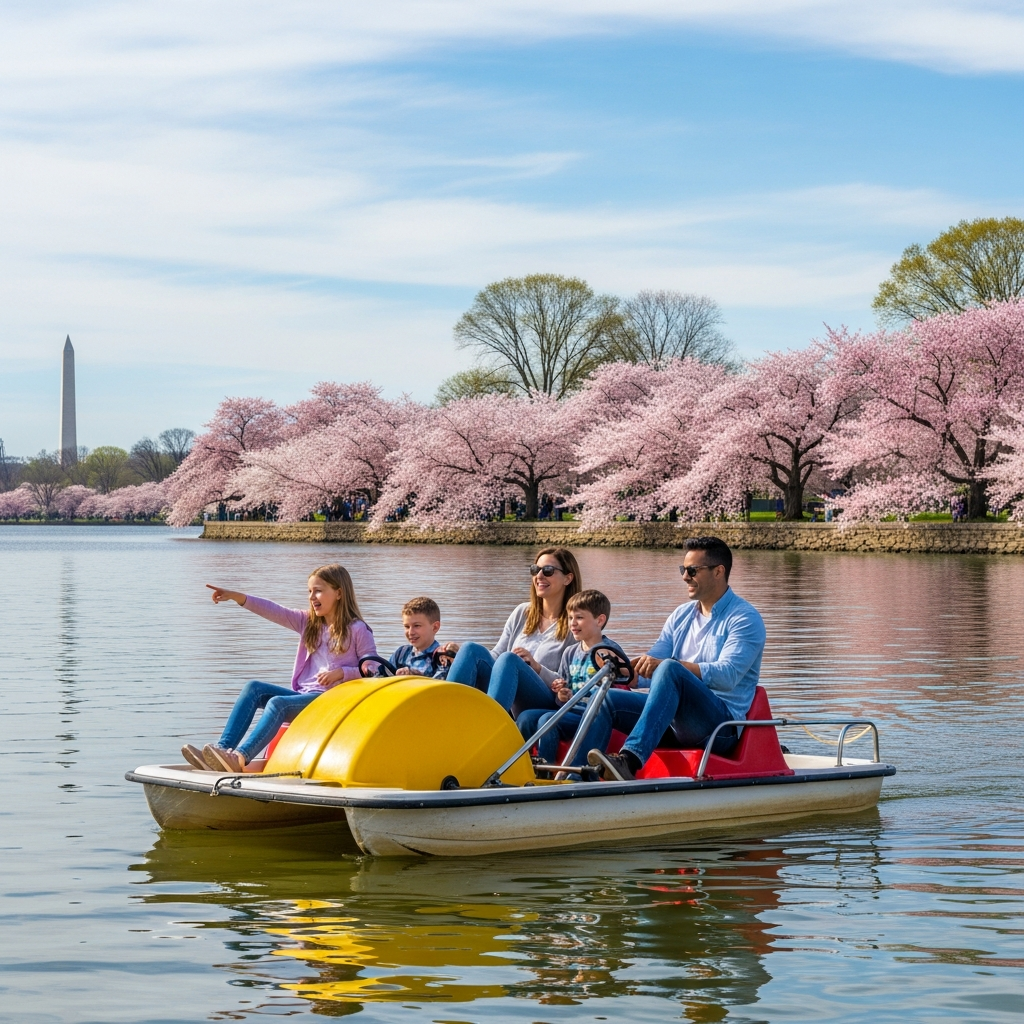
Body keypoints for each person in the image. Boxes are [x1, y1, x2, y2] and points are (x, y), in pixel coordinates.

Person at [587, 536, 766, 782]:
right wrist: (632, 671)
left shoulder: (744, 619)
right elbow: (656, 666)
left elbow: (727, 676)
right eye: (683, 569)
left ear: (718, 571)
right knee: (606, 699)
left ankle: (629, 760)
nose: (684, 576)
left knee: (671, 669)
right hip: (671, 719)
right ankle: (580, 779)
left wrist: (667, 668)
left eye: (692, 570)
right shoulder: (681, 615)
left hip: (719, 728)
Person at [180, 563, 377, 773]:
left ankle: (240, 757)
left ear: (339, 593)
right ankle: (221, 751)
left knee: (278, 704)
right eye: (309, 591)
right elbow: (274, 611)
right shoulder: (308, 623)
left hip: (332, 702)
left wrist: (343, 673)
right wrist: (236, 596)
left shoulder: (358, 629)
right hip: (306, 696)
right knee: (253, 688)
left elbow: (373, 670)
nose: (312, 597)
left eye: (318, 591)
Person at [446, 546, 581, 716]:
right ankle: (447, 715)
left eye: (548, 571)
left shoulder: (575, 624)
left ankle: (490, 725)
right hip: (505, 690)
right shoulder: (522, 612)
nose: (539, 576)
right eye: (535, 570)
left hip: (545, 700)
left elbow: (569, 683)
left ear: (567, 578)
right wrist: (460, 656)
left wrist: (537, 667)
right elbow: (496, 655)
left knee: (510, 659)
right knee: (470, 649)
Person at [515, 589, 630, 769]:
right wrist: (561, 693)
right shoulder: (570, 652)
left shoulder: (609, 651)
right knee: (526, 717)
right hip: (572, 710)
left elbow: (625, 682)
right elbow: (564, 687)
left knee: (547, 720)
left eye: (579, 618)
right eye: (570, 618)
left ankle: (548, 770)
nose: (572, 624)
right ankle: (525, 765)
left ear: (599, 620)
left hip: (593, 716)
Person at [391, 596, 452, 679]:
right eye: (407, 626)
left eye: (417, 626)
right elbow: (382, 674)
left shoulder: (442, 657)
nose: (411, 632)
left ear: (435, 627)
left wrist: (413, 675)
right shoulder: (401, 653)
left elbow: (439, 685)